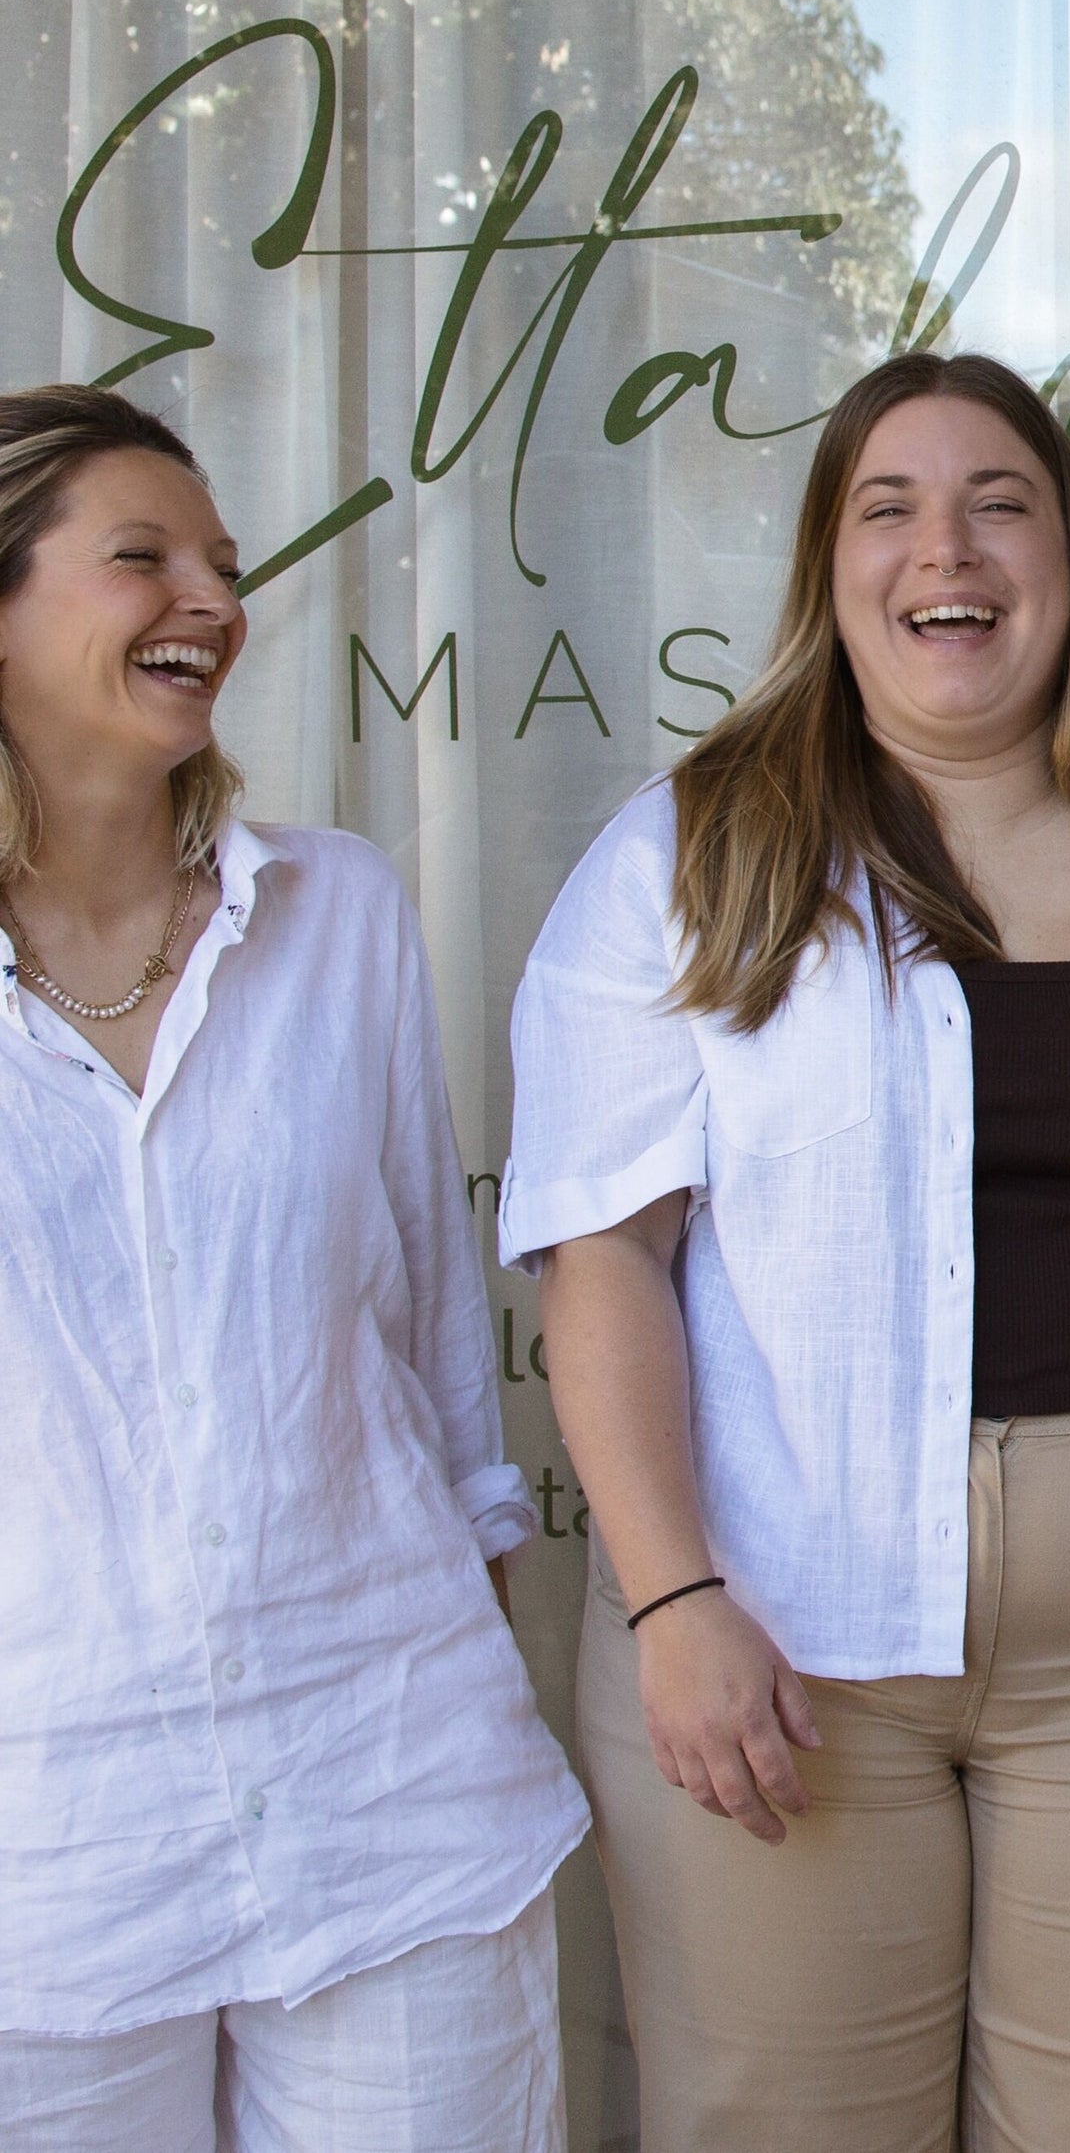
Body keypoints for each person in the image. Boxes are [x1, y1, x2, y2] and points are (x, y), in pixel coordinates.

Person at [505, 351, 1070, 2153]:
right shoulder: (693, 857)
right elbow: (601, 1266)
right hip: (782, 1636)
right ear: (831, 569)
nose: (943, 548)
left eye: (999, 502)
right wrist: (670, 1602)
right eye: (886, 507)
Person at [0, 386, 584, 2151]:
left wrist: (466, 1668)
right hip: (51, 1865)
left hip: (394, 1803)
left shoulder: (339, 918)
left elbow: (423, 1352)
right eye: (143, 558)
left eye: (226, 567)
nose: (215, 600)